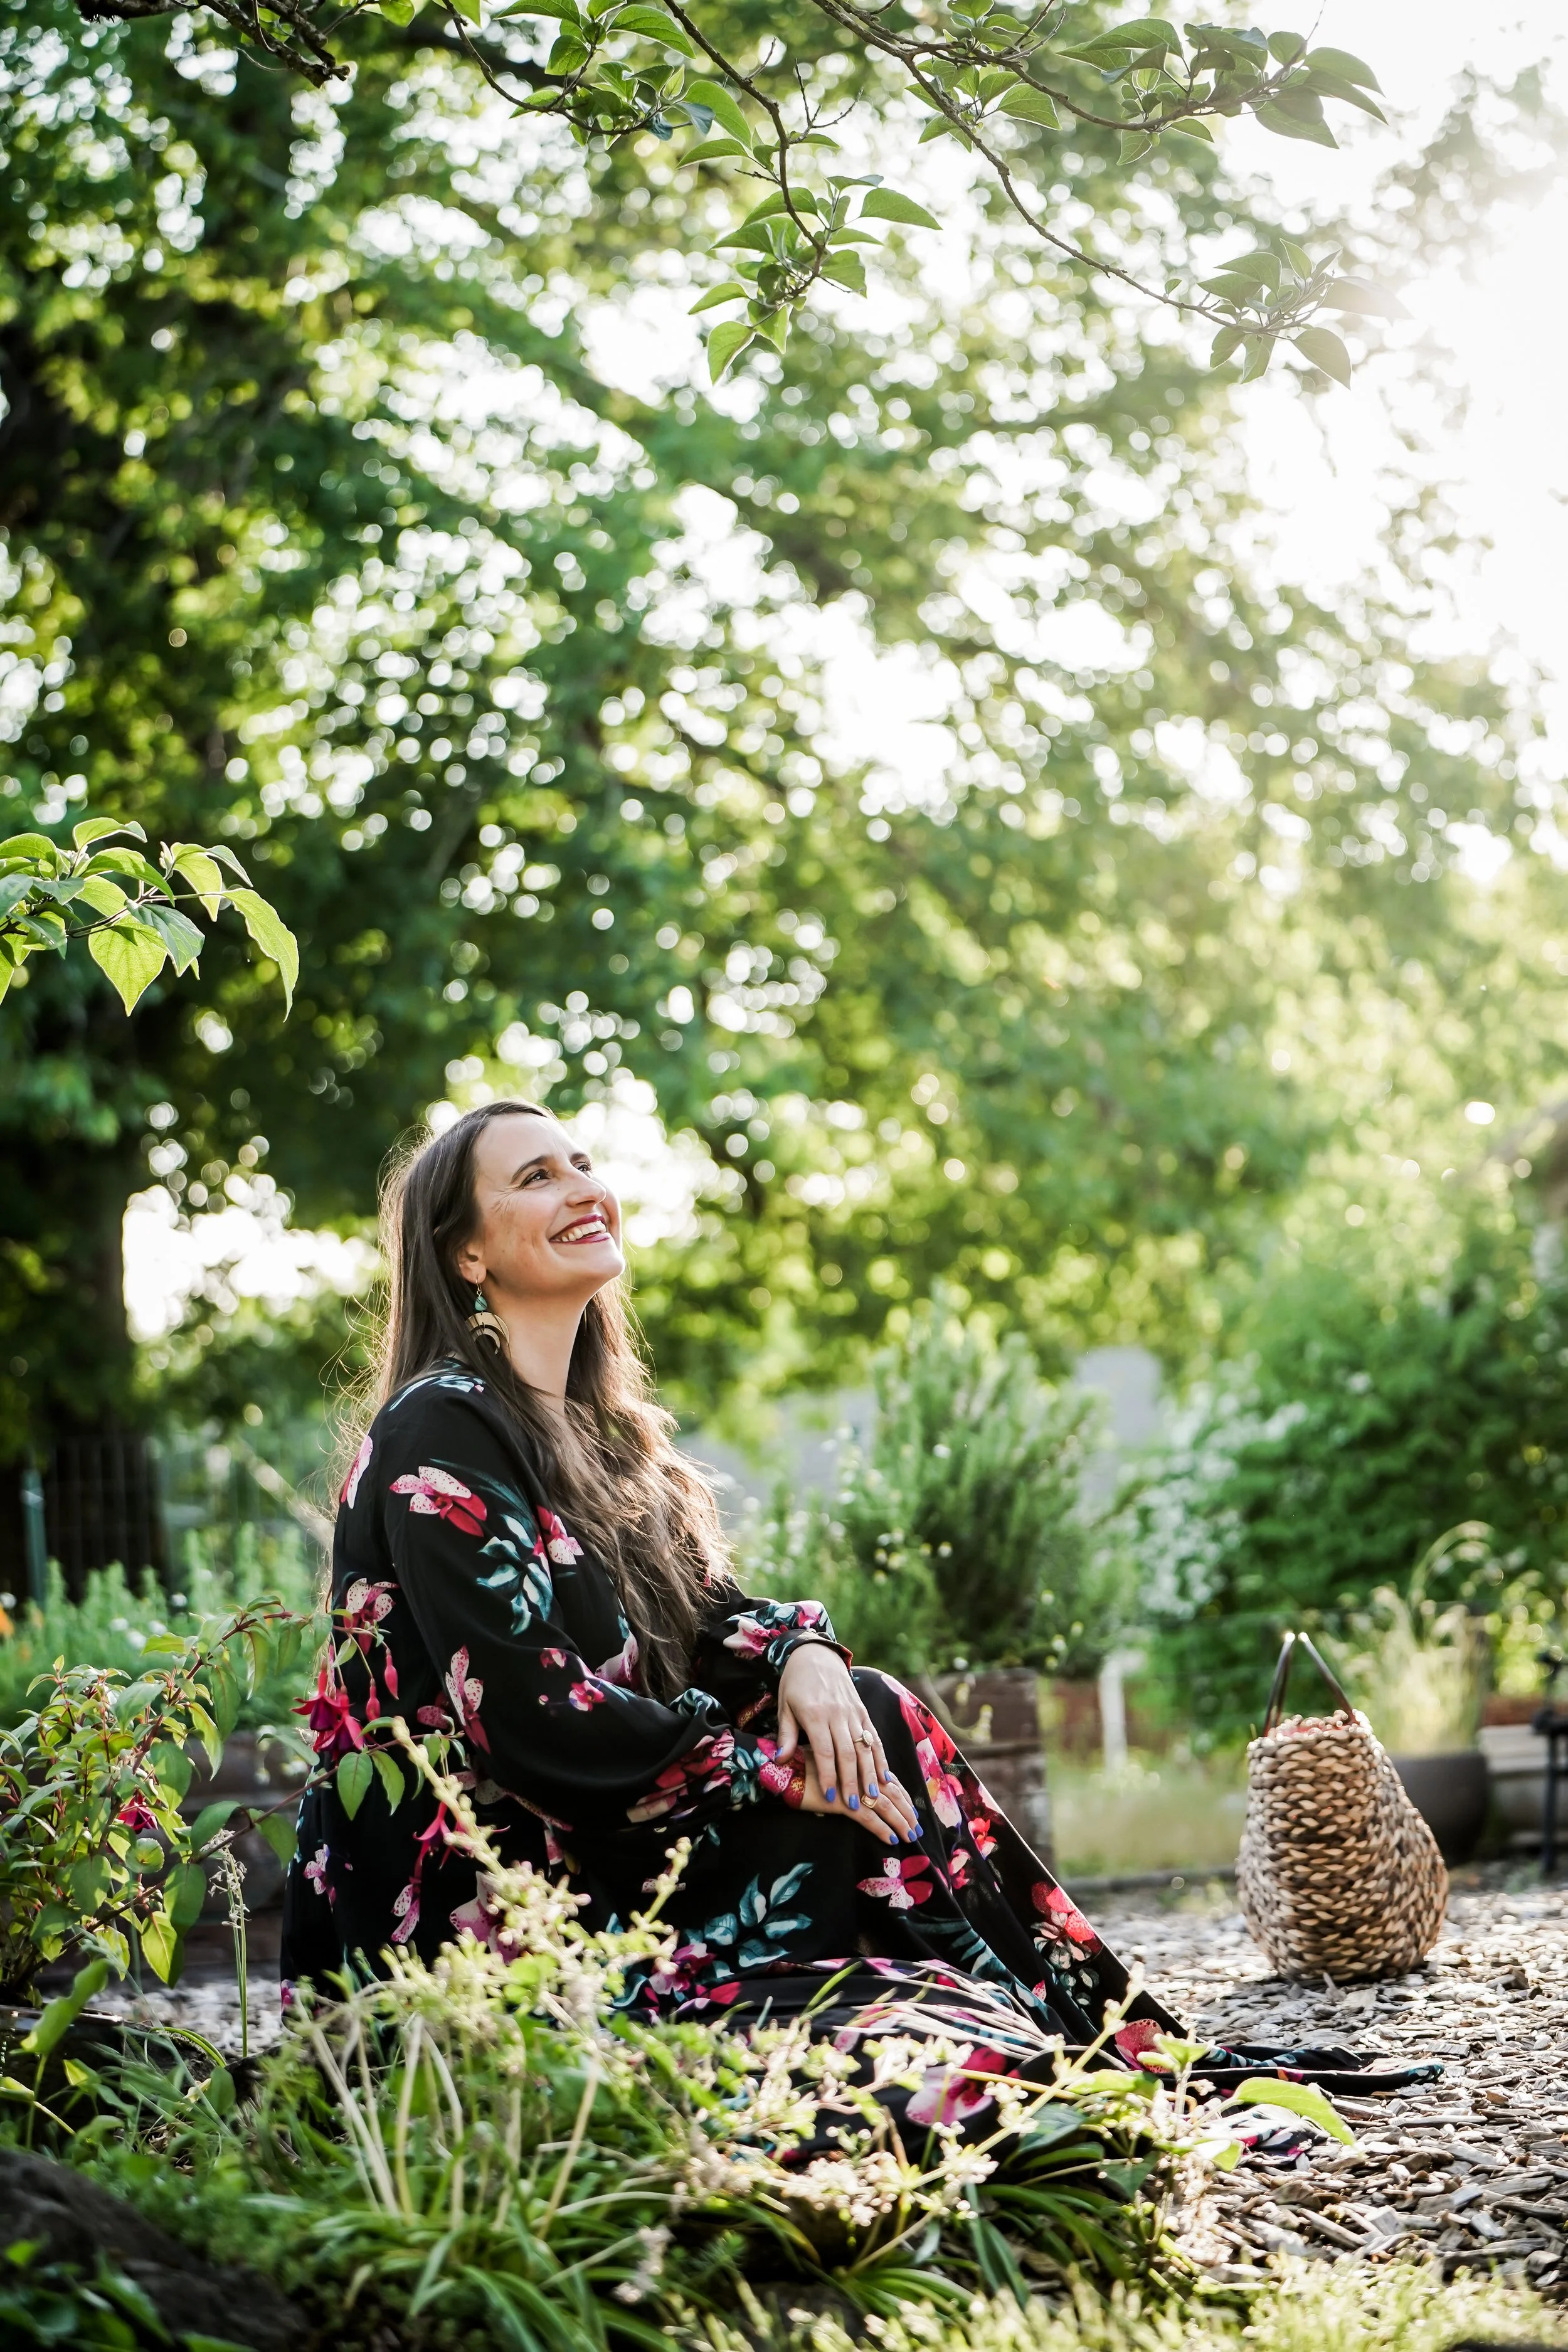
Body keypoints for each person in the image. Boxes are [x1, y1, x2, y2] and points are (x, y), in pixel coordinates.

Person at [281, 1099, 1436, 2111]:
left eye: (583, 1161)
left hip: (599, 1847)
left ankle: (1080, 2042)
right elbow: (535, 1725)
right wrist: (772, 1768)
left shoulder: (605, 1436)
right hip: (480, 1901)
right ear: (466, 1252)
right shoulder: (444, 1424)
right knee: (836, 1807)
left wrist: (806, 1654)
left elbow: (705, 1620)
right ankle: (1043, 2043)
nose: (583, 1186)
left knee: (868, 1712)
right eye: (535, 1176)